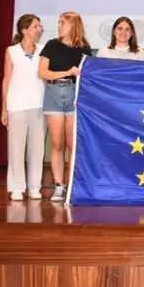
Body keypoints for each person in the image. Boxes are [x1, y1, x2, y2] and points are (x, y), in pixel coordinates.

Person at [38, 12, 90, 202]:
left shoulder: (84, 48)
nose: (59, 26)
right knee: (57, 143)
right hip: (53, 94)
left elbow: (88, 76)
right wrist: (67, 72)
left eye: (63, 23)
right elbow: (42, 72)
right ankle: (59, 185)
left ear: (74, 25)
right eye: (58, 22)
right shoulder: (52, 45)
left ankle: (71, 185)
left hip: (74, 95)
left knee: (72, 144)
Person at [1, 14, 45, 201]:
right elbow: (7, 79)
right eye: (35, 26)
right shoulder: (11, 51)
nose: (39, 29)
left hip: (39, 104)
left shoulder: (43, 50)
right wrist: (4, 108)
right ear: (24, 30)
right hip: (16, 104)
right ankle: (17, 186)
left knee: (37, 149)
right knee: (16, 148)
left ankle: (35, 187)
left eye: (39, 26)